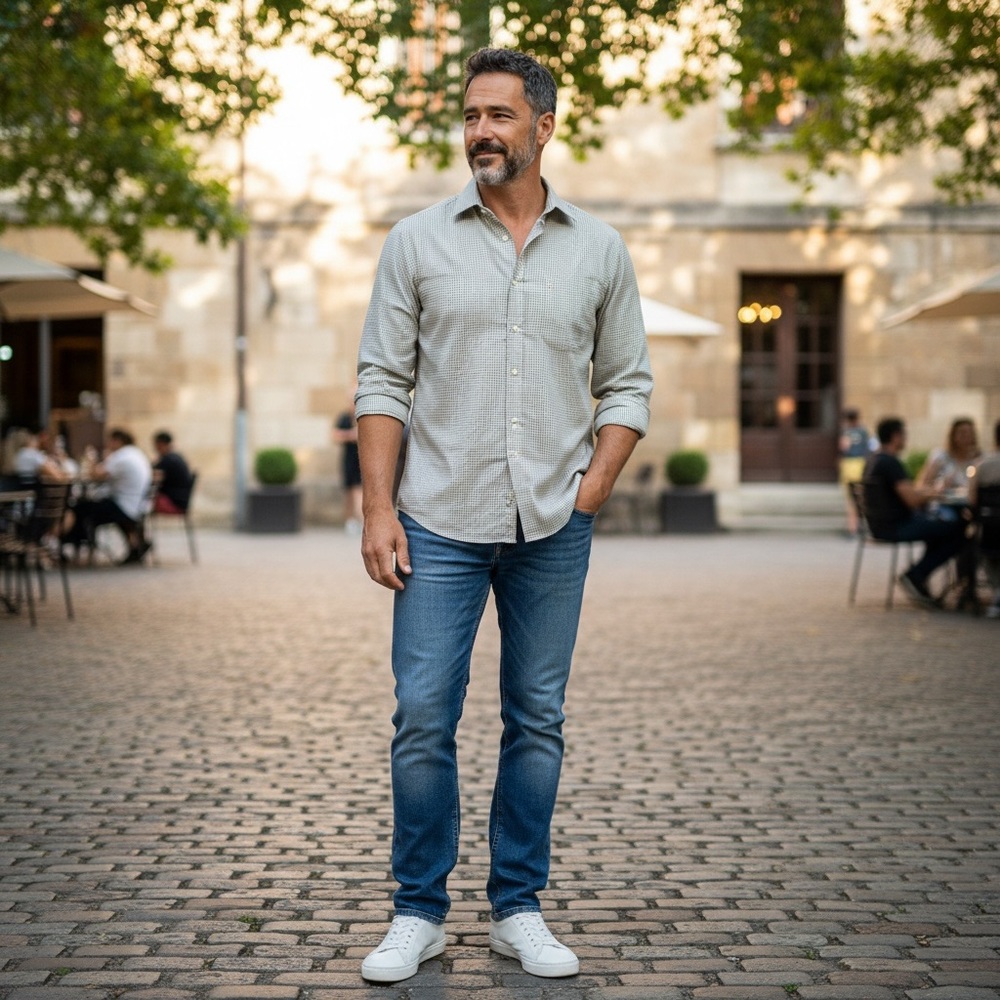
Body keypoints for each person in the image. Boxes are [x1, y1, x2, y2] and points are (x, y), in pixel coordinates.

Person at [354, 47, 653, 984]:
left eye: (500, 116)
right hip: (438, 517)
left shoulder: (600, 249)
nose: (481, 131)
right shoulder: (417, 241)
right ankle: (419, 912)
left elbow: (629, 385)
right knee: (422, 718)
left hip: (554, 526)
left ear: (544, 126)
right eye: (472, 115)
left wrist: (592, 490)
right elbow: (382, 379)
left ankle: (518, 906)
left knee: (536, 719)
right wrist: (377, 510)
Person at [862, 416, 968, 608]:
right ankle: (916, 575)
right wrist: (936, 494)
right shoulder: (890, 463)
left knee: (941, 529)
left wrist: (931, 492)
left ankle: (919, 578)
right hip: (896, 526)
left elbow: (909, 492)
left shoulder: (874, 460)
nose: (906, 439)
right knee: (958, 530)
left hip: (880, 524)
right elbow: (912, 500)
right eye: (904, 435)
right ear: (896, 436)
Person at [63, 427, 153, 564]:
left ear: (117, 441)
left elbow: (96, 475)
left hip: (125, 505)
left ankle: (76, 545)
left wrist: (91, 458)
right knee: (89, 506)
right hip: (137, 504)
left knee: (80, 509)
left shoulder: (121, 456)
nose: (107, 444)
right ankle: (137, 544)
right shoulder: (135, 453)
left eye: (110, 441)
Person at [969, 418, 1000, 618]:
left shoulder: (982, 465)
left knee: (980, 551)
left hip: (990, 529)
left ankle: (997, 592)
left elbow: (971, 500)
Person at [916, 416, 981, 494]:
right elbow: (921, 485)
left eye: (971, 433)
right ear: (953, 436)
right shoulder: (940, 457)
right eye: (963, 433)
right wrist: (937, 488)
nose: (967, 437)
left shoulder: (979, 459)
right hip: (943, 502)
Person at [331, 384, 363, 535]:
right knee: (349, 493)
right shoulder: (344, 417)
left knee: (358, 491)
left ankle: (360, 521)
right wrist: (351, 435)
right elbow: (335, 435)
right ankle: (350, 521)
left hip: (361, 459)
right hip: (348, 458)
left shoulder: (363, 416)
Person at [838, 407, 871, 536]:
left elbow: (844, 447)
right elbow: (869, 448)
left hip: (849, 465)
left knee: (850, 499)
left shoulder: (846, 432)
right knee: (862, 497)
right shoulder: (864, 431)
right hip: (861, 465)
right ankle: (864, 525)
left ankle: (852, 528)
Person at [151, 430, 194, 514]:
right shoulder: (175, 457)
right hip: (180, 501)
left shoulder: (168, 460)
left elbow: (153, 475)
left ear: (160, 444)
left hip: (174, 503)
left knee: (144, 501)